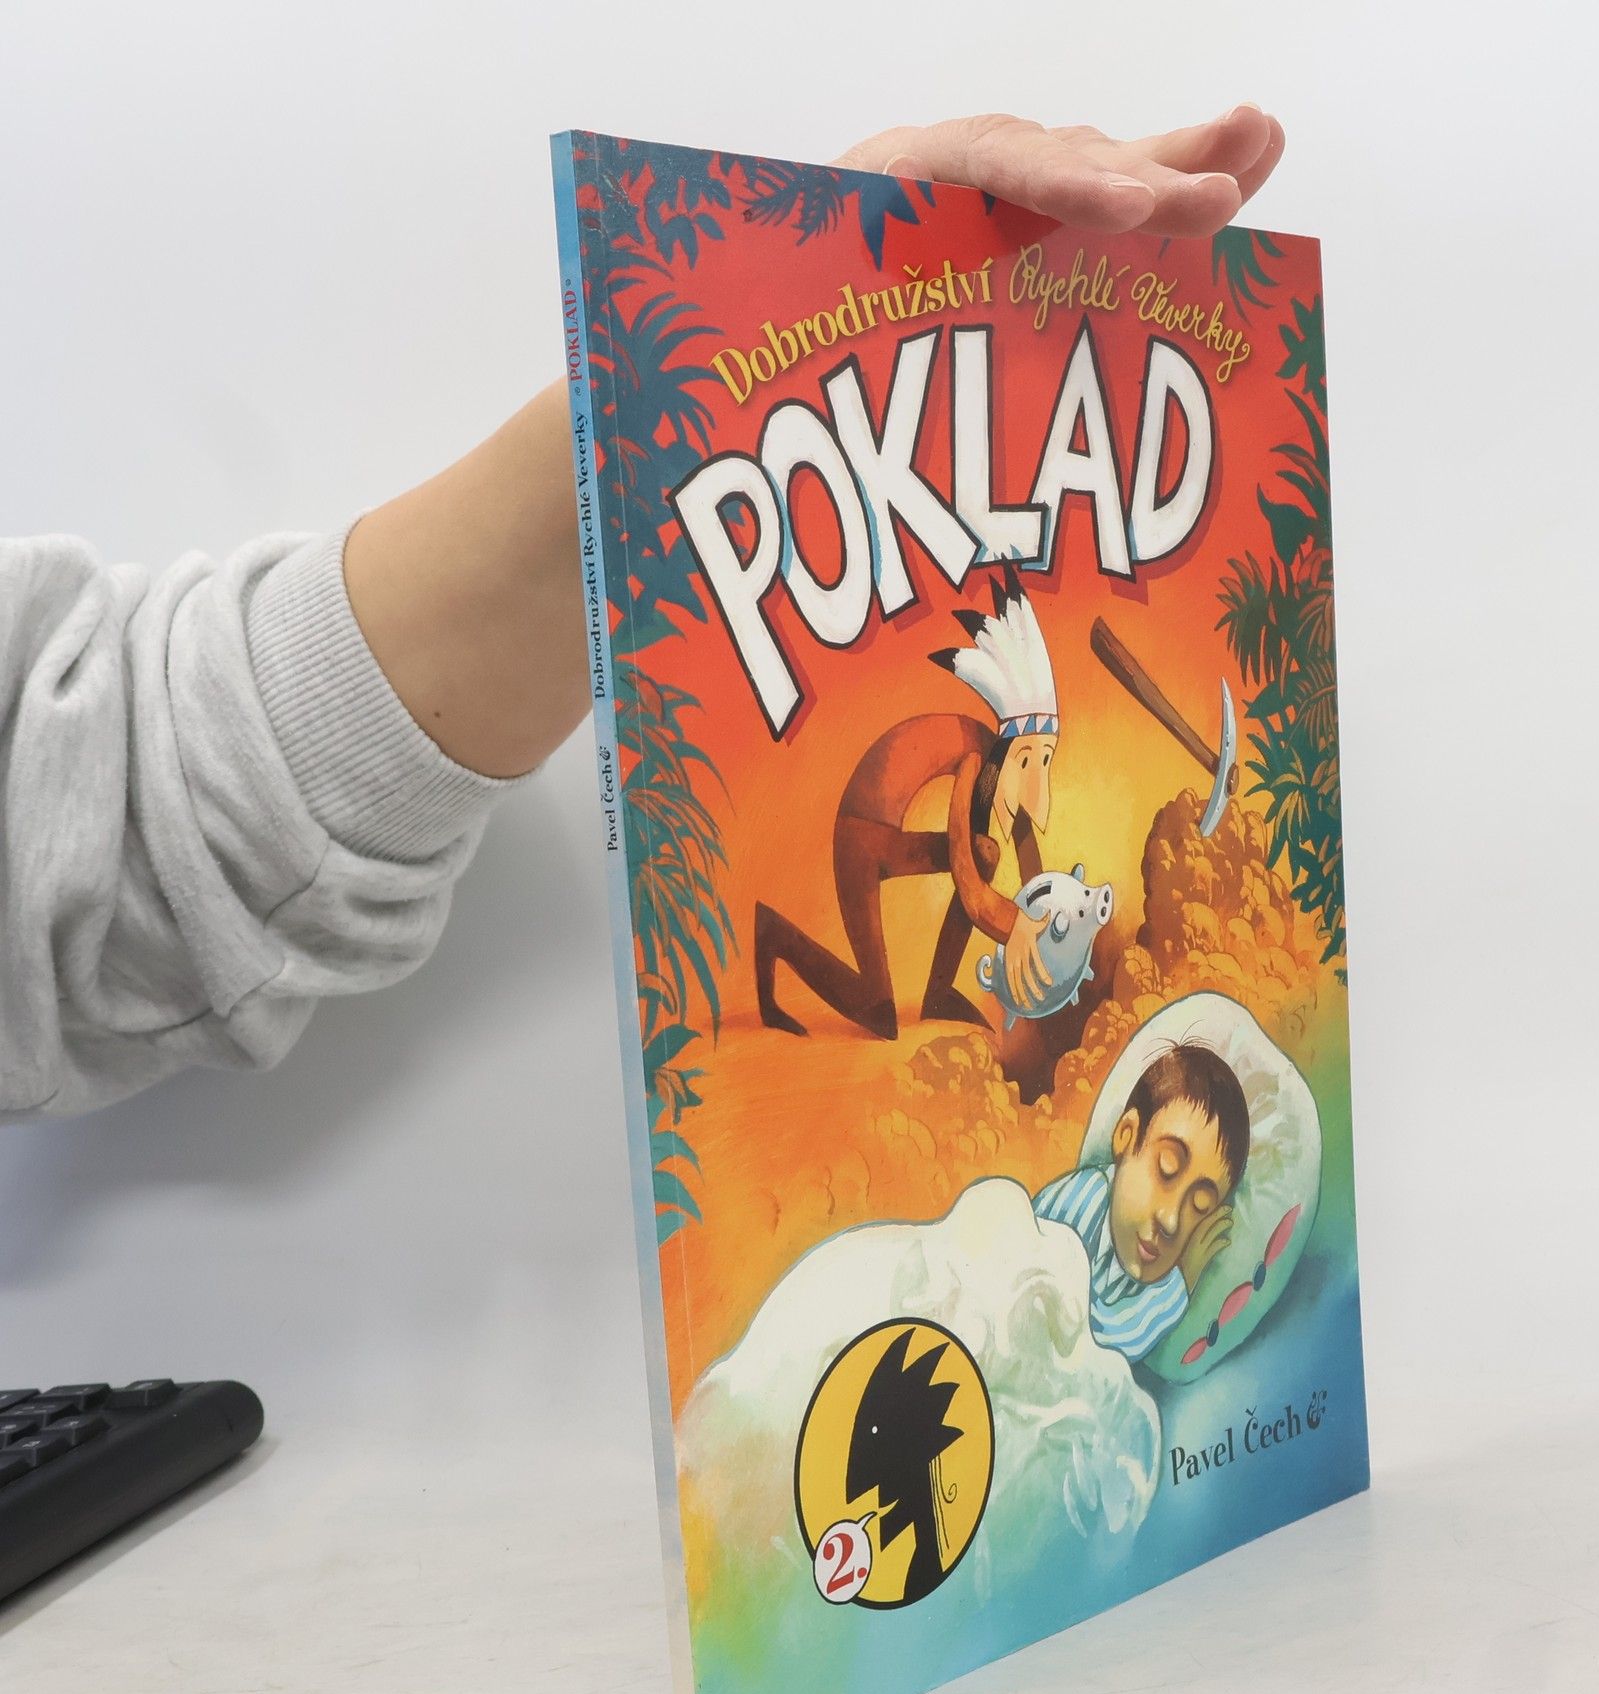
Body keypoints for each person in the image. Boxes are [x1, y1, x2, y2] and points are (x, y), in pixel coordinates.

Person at [0, 108, 1285, 1119]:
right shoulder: (983, 779)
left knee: (955, 989)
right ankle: (800, 974)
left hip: (912, 818)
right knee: (888, 994)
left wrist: (694, 406)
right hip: (873, 835)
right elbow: (967, 870)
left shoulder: (1010, 784)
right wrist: (1022, 925)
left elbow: (102, 825)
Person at [755, 568, 1065, 1038]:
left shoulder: (1001, 769)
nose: (1035, 776)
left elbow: (1029, 864)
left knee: (986, 850)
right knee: (877, 1012)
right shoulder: (976, 761)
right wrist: (1018, 926)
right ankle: (774, 934)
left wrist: (1053, 922)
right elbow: (969, 886)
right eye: (1028, 758)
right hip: (861, 841)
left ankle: (938, 994)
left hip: (890, 840)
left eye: (1045, 757)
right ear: (1010, 751)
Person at [1034, 1043, 1251, 1362]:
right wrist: (1178, 1287)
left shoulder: (1142, 1269)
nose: (1171, 1220)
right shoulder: (1084, 1198)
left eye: (1200, 1204)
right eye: (1166, 1168)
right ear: (1127, 1135)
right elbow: (1087, 1344)